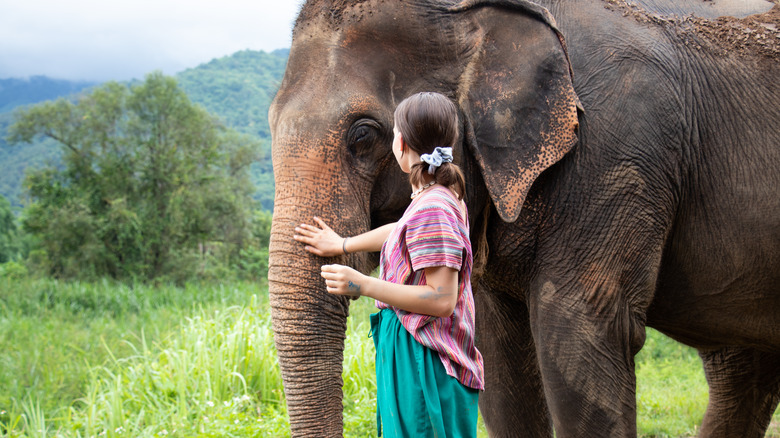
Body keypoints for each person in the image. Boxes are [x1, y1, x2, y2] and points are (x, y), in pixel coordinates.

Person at [293, 91, 484, 437]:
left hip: (426, 361)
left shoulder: (434, 207)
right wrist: (344, 243)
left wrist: (362, 284)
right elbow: (402, 231)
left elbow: (441, 299)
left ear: (401, 143)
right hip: (416, 353)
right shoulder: (436, 197)